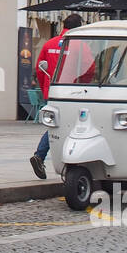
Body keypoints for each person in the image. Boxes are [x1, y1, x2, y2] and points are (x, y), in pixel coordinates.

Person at [29, 13, 84, 179]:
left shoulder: (49, 44)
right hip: (73, 92)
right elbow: (90, 69)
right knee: (70, 125)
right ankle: (69, 162)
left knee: (55, 125)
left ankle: (41, 156)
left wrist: (45, 86)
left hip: (51, 92)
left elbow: (39, 69)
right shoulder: (80, 45)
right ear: (78, 28)